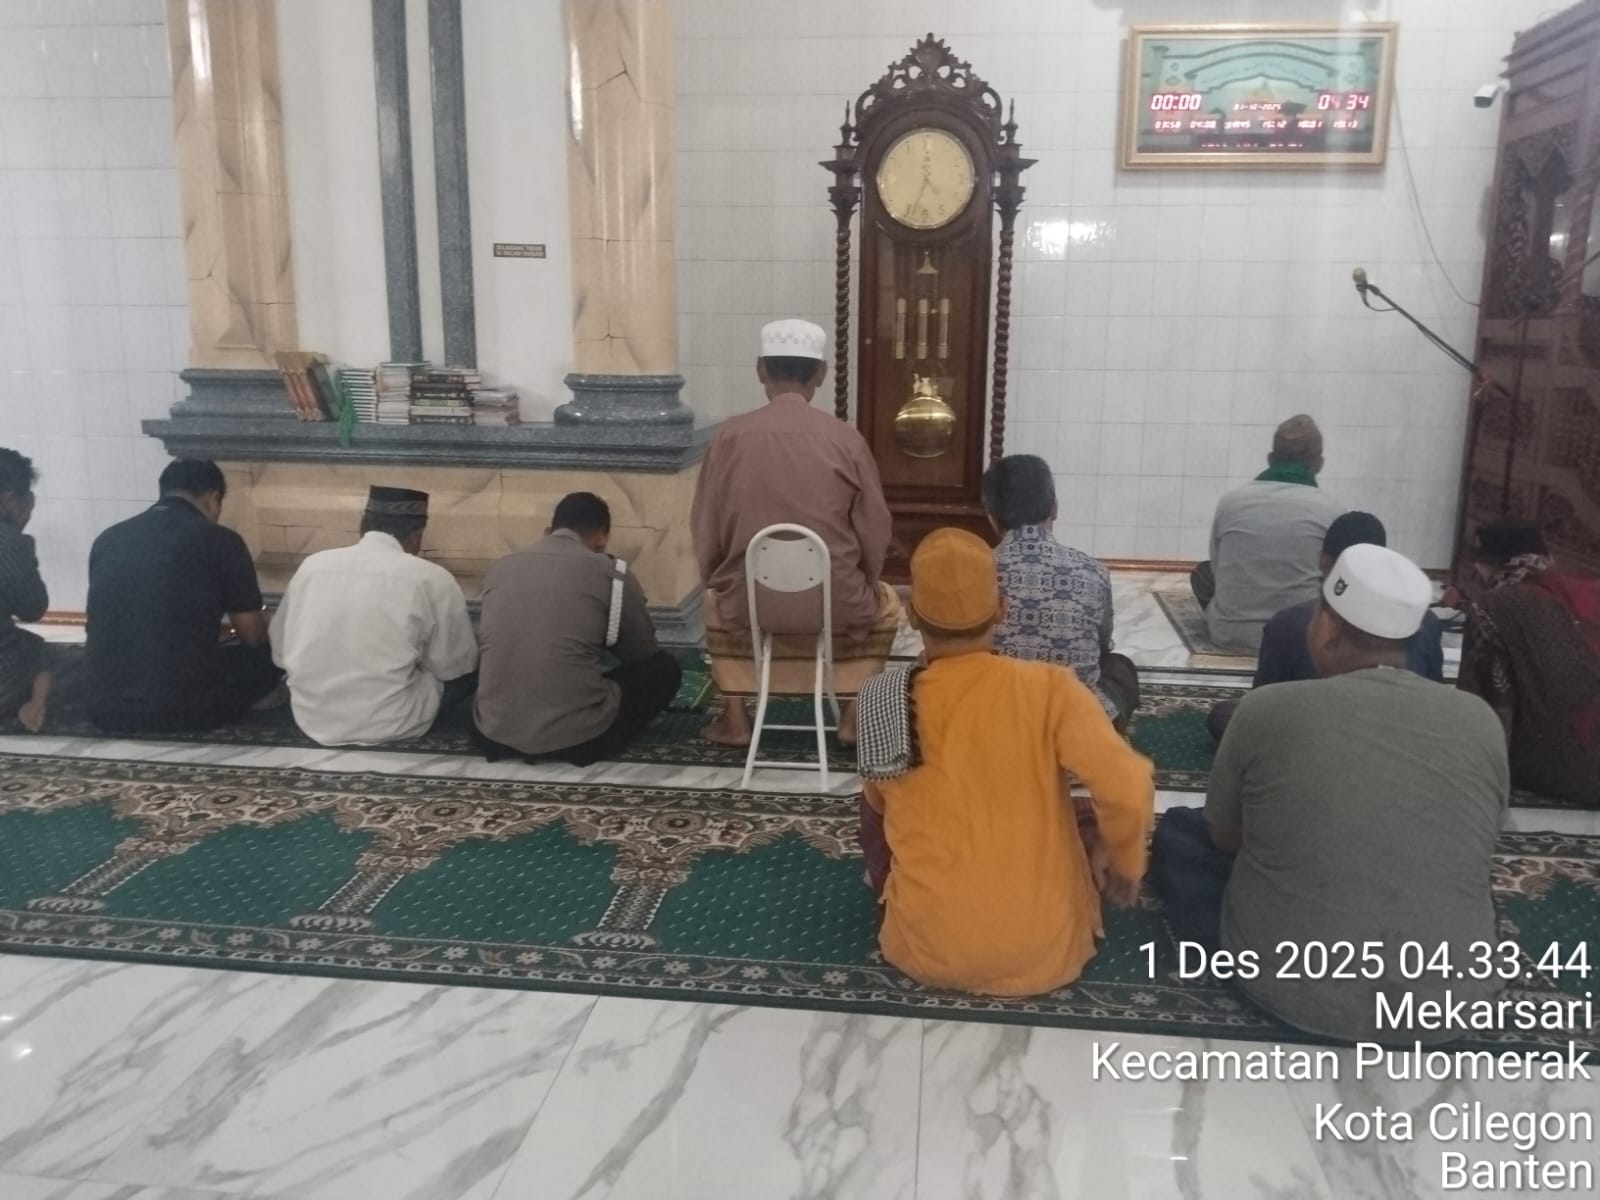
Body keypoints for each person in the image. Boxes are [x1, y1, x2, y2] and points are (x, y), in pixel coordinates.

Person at [1151, 544, 1508, 1044]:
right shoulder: (1478, 718)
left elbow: (1226, 838)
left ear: (1327, 628)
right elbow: (1483, 837)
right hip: (1454, 1002)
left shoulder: (1266, 708)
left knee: (1180, 834)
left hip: (1292, 989)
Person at [855, 528, 1155, 997]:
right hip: (1044, 953)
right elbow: (1128, 787)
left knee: (877, 801)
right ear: (1001, 608)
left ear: (912, 616)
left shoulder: (883, 697)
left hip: (925, 950)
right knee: (1084, 816)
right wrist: (1123, 859)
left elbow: (878, 809)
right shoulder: (1050, 689)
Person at [690, 318, 898, 747]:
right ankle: (853, 714)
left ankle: (735, 718)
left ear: (760, 370)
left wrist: (718, 579)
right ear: (821, 373)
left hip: (746, 604)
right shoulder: (846, 440)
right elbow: (876, 532)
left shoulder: (728, 437)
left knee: (712, 603)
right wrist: (864, 580)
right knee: (888, 604)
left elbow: (705, 529)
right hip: (836, 603)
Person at [474, 492, 681, 766]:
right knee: (664, 670)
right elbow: (642, 653)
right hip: (579, 738)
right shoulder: (612, 571)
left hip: (493, 732)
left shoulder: (501, 567)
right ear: (603, 537)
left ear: (549, 530)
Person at [1205, 511, 1446, 740]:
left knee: (1226, 716)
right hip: (1406, 734)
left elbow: (1261, 704)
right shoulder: (1427, 622)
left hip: (1308, 736)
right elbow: (1432, 690)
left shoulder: (1291, 623)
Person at [269, 486, 478, 746]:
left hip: (312, 717)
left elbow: (280, 653)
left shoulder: (312, 566)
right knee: (475, 668)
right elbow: (454, 666)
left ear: (363, 526)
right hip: (394, 720)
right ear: (416, 535)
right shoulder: (431, 577)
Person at [86, 458, 283, 732]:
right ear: (212, 499)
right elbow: (252, 635)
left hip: (103, 707)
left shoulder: (108, 538)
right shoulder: (221, 540)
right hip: (185, 710)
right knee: (270, 653)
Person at [983, 453, 1137, 731]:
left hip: (997, 720)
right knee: (1119, 666)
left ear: (992, 518)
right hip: (1074, 728)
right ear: (1054, 508)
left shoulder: (975, 573)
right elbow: (1103, 644)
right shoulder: (1092, 571)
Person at [1456, 518, 1600, 806]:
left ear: (1487, 565)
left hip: (1569, 776)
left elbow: (1486, 707)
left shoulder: (1494, 606)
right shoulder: (1586, 593)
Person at [1190, 415, 1343, 652]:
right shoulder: (1331, 510)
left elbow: (1218, 569)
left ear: (1271, 458)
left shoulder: (1232, 502)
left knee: (1203, 575)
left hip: (1230, 633)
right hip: (1300, 635)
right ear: (1319, 463)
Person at [0, 449, 52, 731]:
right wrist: (22, 540)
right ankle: (31, 707)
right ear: (11, 500)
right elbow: (33, 608)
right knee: (58, 659)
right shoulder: (7, 541)